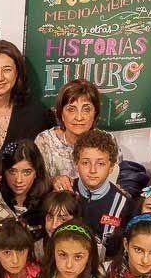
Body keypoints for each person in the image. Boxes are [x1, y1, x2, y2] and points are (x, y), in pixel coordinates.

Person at [72, 129, 132, 257]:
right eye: (85, 163)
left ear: (111, 167)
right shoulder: (66, 192)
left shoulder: (123, 204)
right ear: (76, 164)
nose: (92, 170)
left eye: (100, 163)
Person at [35, 79, 104, 186]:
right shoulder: (45, 141)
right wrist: (53, 182)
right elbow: (35, 182)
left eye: (86, 109)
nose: (79, 117)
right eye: (71, 109)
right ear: (61, 114)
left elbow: (120, 179)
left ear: (95, 113)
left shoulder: (105, 140)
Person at [0, 140, 52, 234]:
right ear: (4, 172)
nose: (19, 180)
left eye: (26, 172)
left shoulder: (48, 203)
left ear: (36, 172)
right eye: (12, 172)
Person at [34, 190, 83, 263]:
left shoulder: (90, 248)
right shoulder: (38, 249)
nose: (54, 225)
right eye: (50, 218)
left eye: (63, 219)